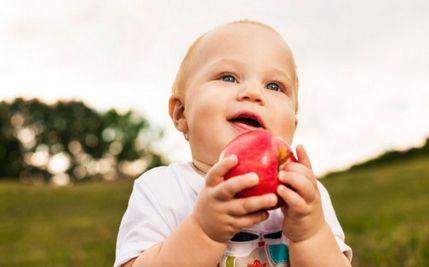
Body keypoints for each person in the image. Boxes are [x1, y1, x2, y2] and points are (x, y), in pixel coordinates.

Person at [115, 20, 352, 267]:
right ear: (181, 113)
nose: (253, 92)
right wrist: (203, 231)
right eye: (228, 77)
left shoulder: (304, 197)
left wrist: (310, 234)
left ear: (293, 125)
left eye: (274, 86)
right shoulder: (162, 189)